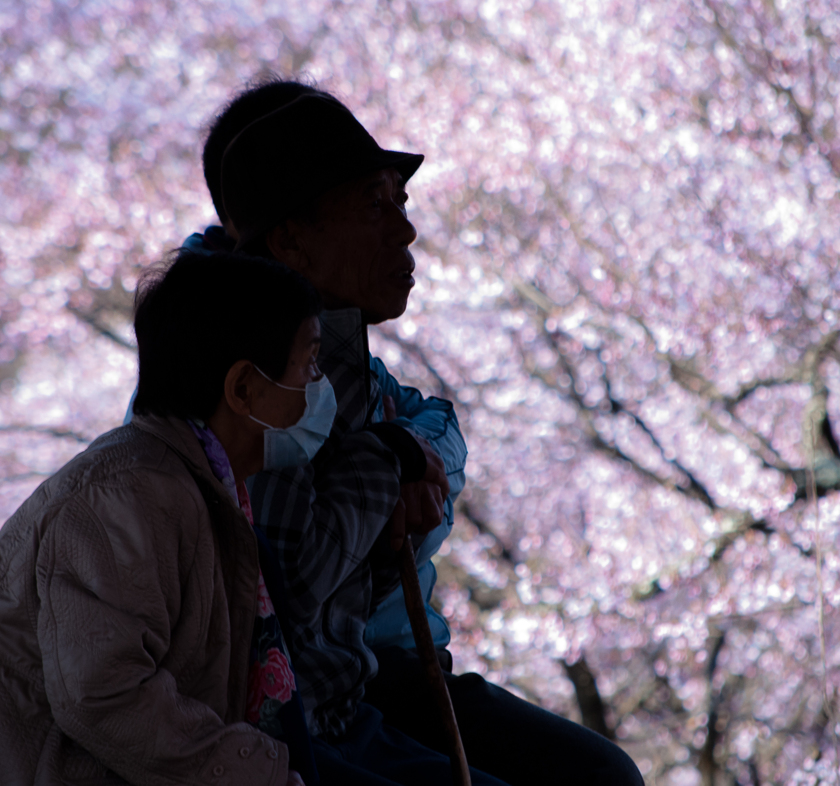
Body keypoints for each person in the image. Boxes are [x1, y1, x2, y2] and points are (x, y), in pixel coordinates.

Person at [218, 88, 645, 785]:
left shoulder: (345, 357)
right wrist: (385, 465)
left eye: (402, 202)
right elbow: (295, 593)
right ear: (290, 238)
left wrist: (404, 453)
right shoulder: (261, 383)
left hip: (367, 689)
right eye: (373, 205)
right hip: (311, 716)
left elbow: (433, 421)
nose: (404, 231)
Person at [0, 250, 328, 786]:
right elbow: (105, 696)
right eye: (310, 363)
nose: (321, 386)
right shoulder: (120, 499)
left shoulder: (196, 485)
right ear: (244, 388)